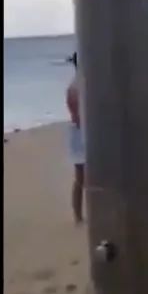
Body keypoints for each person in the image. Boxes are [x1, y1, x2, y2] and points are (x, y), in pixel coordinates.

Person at [65, 53, 86, 225]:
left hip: (75, 130)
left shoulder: (73, 83)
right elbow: (79, 115)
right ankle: (79, 215)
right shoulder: (83, 84)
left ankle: (78, 215)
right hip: (83, 131)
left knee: (80, 176)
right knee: (86, 175)